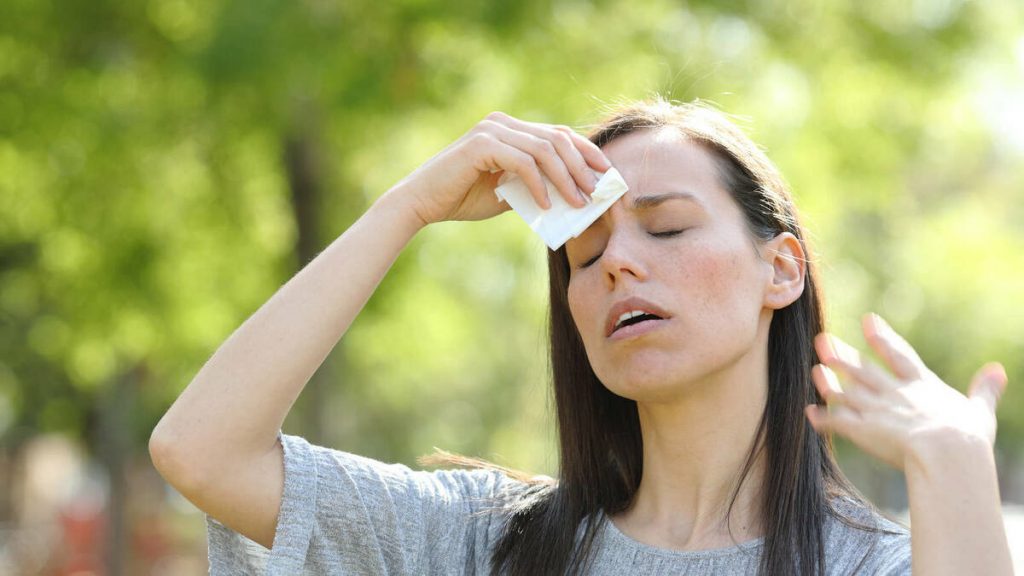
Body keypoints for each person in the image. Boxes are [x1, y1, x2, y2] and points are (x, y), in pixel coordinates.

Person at [149, 98, 1014, 575]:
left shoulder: (881, 567)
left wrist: (956, 467)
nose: (615, 268)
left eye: (666, 229)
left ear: (781, 270)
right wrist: (407, 208)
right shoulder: (486, 545)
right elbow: (201, 451)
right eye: (585, 253)